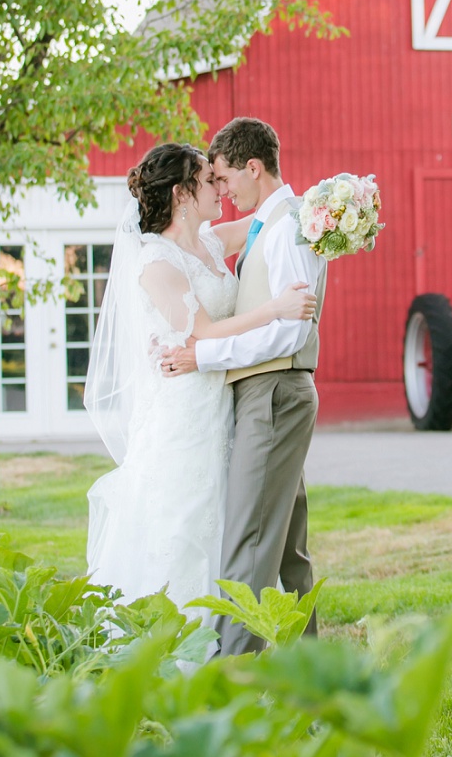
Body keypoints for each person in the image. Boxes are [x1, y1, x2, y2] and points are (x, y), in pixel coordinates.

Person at [83, 141, 316, 613]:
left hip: (221, 401)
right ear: (181, 194)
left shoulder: (209, 242)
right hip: (183, 411)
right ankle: (173, 640)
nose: (220, 189)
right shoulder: (155, 262)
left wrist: (332, 210)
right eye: (210, 180)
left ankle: (225, 639)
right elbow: (204, 330)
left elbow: (267, 217)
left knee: (226, 521)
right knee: (184, 520)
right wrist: (276, 308)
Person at [159, 116, 327, 656]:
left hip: (274, 392)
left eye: (226, 179)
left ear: (253, 168)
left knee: (249, 549)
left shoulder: (289, 229)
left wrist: (203, 355)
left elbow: (290, 330)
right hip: (269, 394)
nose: (223, 191)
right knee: (285, 556)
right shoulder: (271, 223)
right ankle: (316, 684)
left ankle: (234, 691)